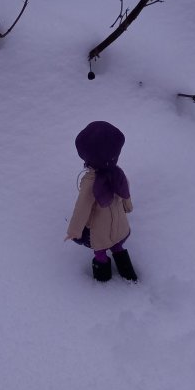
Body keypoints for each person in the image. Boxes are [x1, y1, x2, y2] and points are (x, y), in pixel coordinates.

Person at [65, 121, 138, 282]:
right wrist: (128, 206)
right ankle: (130, 276)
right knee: (117, 245)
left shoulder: (90, 181)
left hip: (100, 226)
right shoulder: (118, 173)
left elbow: (82, 208)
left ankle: (103, 283)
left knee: (100, 251)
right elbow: (125, 194)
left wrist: (74, 231)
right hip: (118, 222)